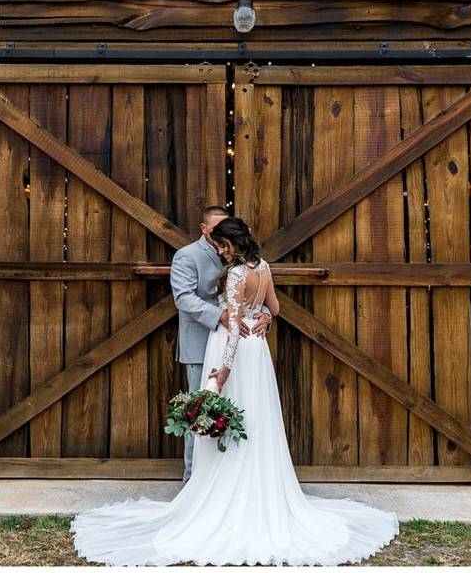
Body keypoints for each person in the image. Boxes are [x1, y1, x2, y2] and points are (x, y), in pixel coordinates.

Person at [69, 217, 400, 566]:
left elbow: (231, 330)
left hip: (236, 352)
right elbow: (275, 308)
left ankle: (221, 496)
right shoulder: (265, 267)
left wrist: (224, 369)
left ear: (231, 244)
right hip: (257, 353)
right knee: (254, 418)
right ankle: (251, 492)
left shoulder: (238, 274)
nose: (220, 251)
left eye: (223, 246)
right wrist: (266, 320)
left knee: (230, 414)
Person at [167, 205, 271, 483]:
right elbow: (183, 298)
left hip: (241, 346)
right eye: (216, 232)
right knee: (201, 414)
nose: (223, 240)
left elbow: (261, 297)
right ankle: (193, 483)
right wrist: (221, 316)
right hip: (203, 344)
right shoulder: (186, 256)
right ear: (204, 230)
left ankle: (235, 484)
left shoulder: (247, 260)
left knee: (243, 411)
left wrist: (264, 315)